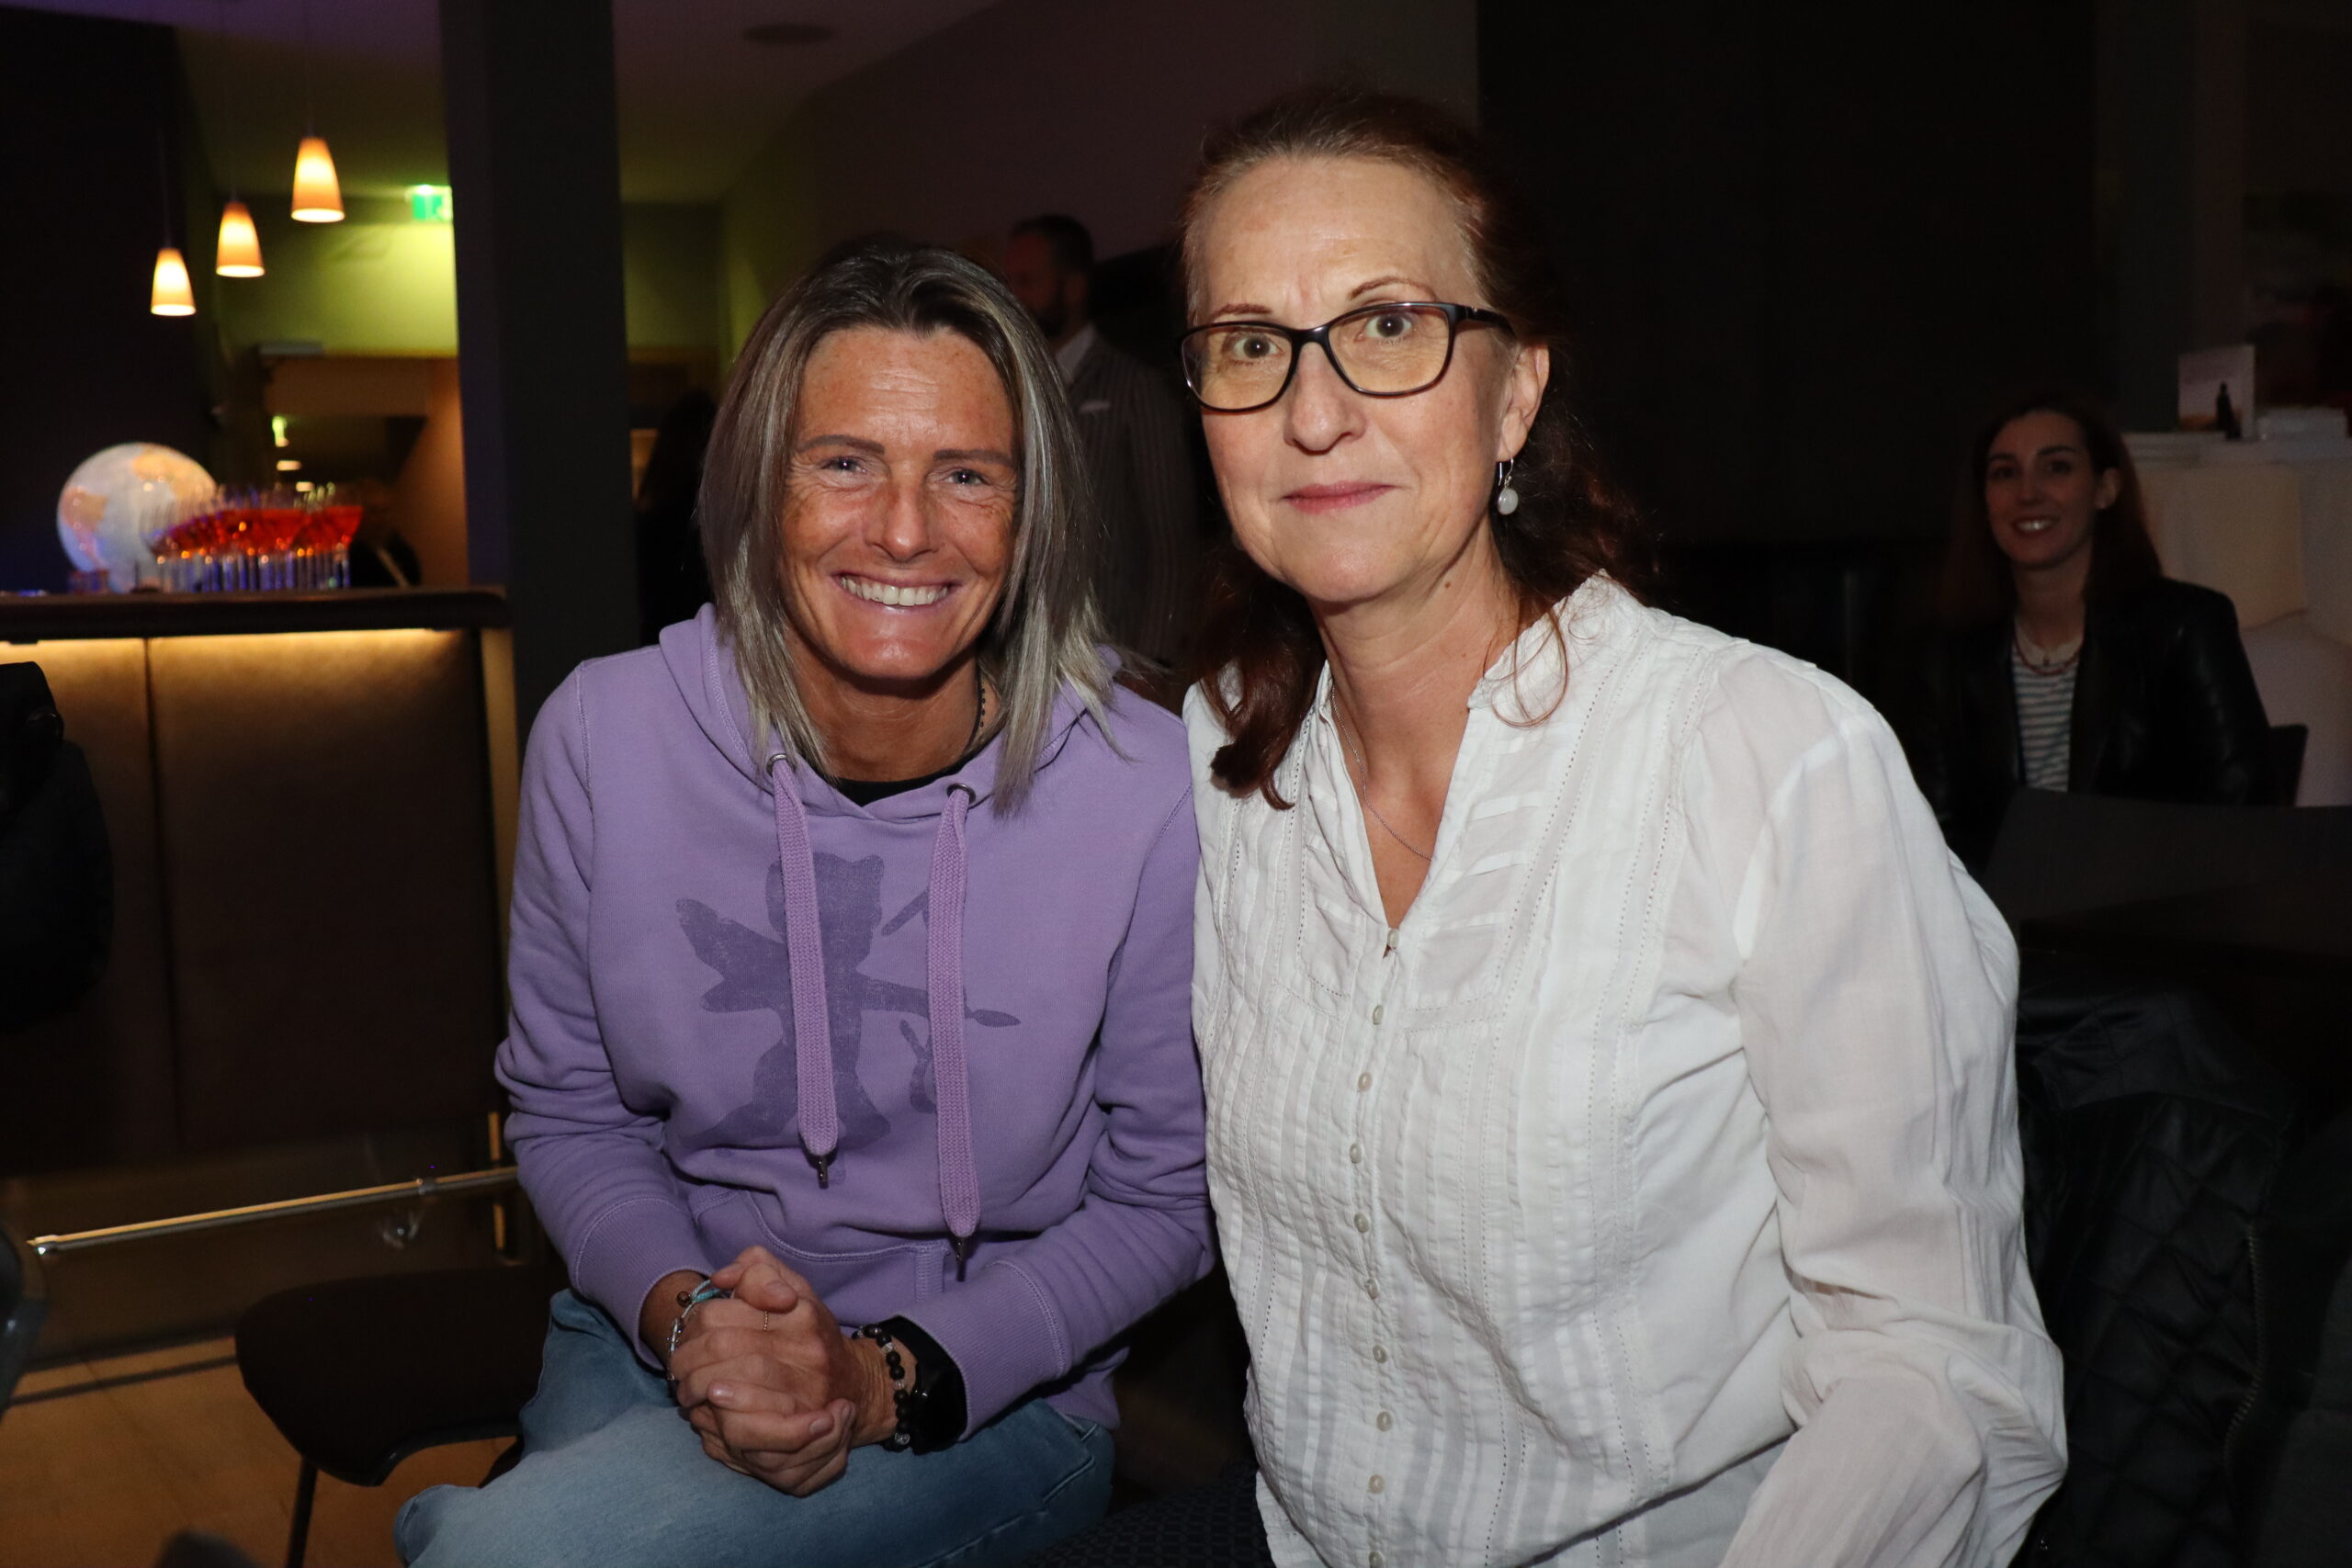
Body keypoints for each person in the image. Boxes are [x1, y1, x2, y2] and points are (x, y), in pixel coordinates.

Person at [1177, 89, 2064, 1567]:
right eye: (1250, 344)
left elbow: (1937, 1361)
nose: (1312, 408)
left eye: (1389, 324)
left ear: (1514, 390)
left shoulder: (1770, 760)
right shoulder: (1221, 759)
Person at [396, 237, 1214, 1568]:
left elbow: (1165, 1195)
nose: (903, 528)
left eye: (967, 473)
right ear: (758, 487)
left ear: (1032, 512)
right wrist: (695, 1312)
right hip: (660, 1327)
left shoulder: (1145, 791)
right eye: (844, 461)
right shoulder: (605, 737)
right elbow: (570, 1108)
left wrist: (886, 1372)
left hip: (984, 1380)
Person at [1905, 389, 2276, 871]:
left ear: (2106, 488)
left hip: (2152, 921)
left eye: (2056, 467)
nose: (2027, 492)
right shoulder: (1943, 652)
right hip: (1999, 930)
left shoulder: (2186, 626)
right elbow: (1930, 839)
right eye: (2004, 473)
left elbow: (2246, 817)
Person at [1002, 214, 1202, 665]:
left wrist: (1151, 663)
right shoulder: (1008, 392)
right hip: (1021, 657)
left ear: (1072, 287)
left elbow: (1172, 546)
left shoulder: (1134, 387)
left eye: (1028, 281)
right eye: (1009, 281)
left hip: (1111, 656)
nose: (1014, 297)